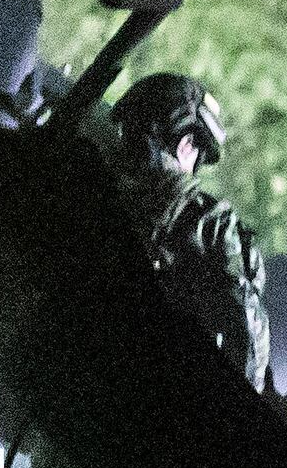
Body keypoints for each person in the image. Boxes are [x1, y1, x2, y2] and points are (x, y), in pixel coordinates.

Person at [105, 70, 272, 390]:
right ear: (185, 144)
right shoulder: (209, 226)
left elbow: (247, 344)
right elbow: (249, 344)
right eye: (197, 154)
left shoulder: (205, 226)